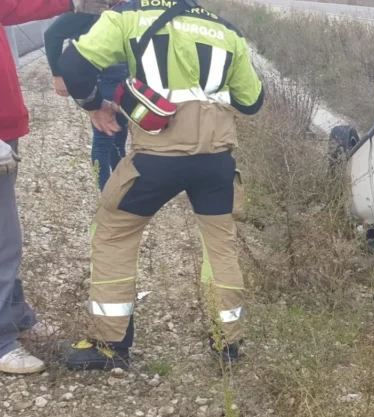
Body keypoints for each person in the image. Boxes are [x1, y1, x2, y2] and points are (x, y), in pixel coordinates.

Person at [57, 0, 264, 370]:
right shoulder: (227, 31)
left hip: (156, 160)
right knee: (220, 246)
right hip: (216, 162)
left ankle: (110, 343)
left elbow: (74, 63)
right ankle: (227, 344)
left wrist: (93, 104)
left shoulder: (128, 17)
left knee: (113, 232)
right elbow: (251, 101)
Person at [1, 0, 113, 374]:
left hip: (5, 128)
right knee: (3, 238)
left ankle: (16, 319)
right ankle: (3, 339)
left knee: (7, 232)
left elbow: (16, 7)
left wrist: (73, 2)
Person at [44, 6, 129, 191]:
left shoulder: (135, 6)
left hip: (127, 79)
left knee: (120, 136)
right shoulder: (91, 7)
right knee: (104, 138)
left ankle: (122, 187)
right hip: (102, 78)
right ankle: (106, 192)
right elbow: (52, 35)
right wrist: (58, 75)